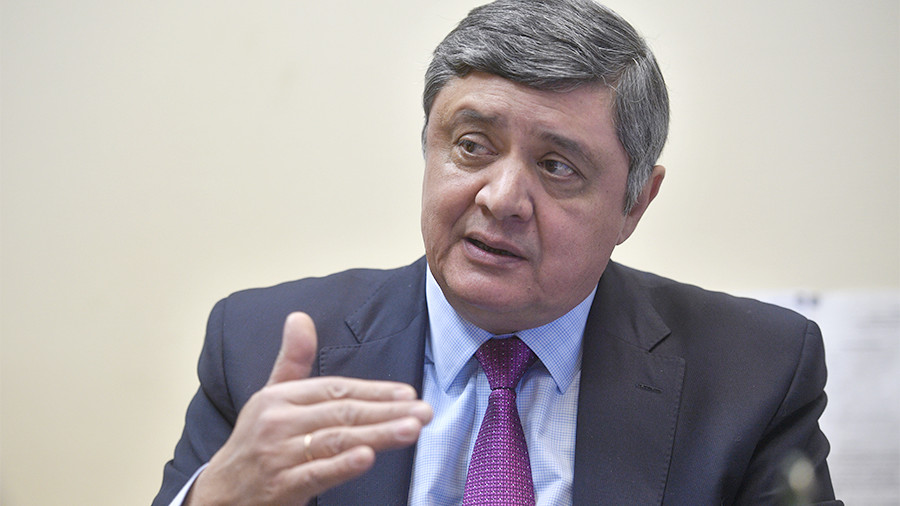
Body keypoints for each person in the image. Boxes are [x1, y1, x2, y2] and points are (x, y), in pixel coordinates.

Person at [153, 0, 841, 504]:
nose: (502, 198)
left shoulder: (753, 374)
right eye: (472, 146)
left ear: (635, 204)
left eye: (557, 166)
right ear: (429, 147)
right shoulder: (258, 349)